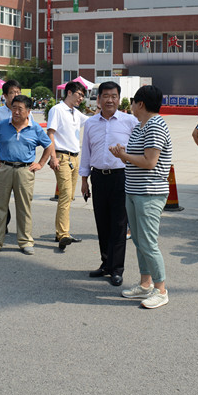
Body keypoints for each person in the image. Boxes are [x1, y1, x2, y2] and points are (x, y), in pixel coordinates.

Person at [109, 85, 172, 309]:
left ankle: (160, 290)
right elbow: (137, 157)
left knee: (148, 242)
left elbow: (150, 162)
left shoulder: (155, 126)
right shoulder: (140, 127)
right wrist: (122, 154)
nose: (131, 106)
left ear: (141, 104)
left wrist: (124, 155)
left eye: (133, 102)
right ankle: (145, 284)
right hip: (134, 190)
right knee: (138, 240)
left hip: (150, 192)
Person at [0, 95, 55, 255]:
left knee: (24, 207)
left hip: (25, 171)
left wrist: (41, 163)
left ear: (28, 111)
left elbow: (49, 145)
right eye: (13, 108)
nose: (16, 112)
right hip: (3, 168)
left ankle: (25, 241)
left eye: (20, 109)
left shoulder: (35, 128)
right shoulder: (2, 125)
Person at [80, 81, 138, 286]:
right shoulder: (90, 123)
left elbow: (138, 150)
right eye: (106, 96)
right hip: (98, 177)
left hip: (121, 177)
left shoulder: (130, 121)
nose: (110, 100)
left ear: (119, 99)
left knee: (119, 224)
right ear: (99, 99)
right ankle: (106, 263)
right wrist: (84, 180)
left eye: (114, 96)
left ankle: (117, 269)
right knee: (102, 222)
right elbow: (86, 152)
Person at [47, 80, 90, 250]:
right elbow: (50, 133)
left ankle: (62, 233)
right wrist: (53, 157)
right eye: (79, 94)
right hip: (62, 157)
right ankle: (63, 234)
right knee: (65, 194)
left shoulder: (76, 113)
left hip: (74, 158)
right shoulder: (57, 110)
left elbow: (91, 121)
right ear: (69, 92)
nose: (81, 98)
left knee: (70, 196)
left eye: (83, 96)